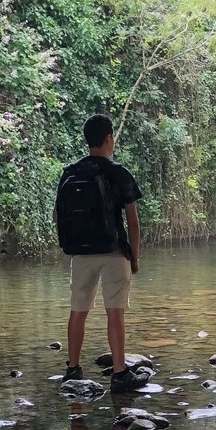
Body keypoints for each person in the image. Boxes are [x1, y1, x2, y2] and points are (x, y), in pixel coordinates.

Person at [54, 114, 148, 393]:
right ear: (109, 138)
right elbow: (133, 222)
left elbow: (57, 215)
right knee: (114, 312)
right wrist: (135, 257)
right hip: (113, 251)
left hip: (81, 253)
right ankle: (119, 373)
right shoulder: (118, 172)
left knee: (78, 311)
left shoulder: (70, 172)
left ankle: (73, 369)